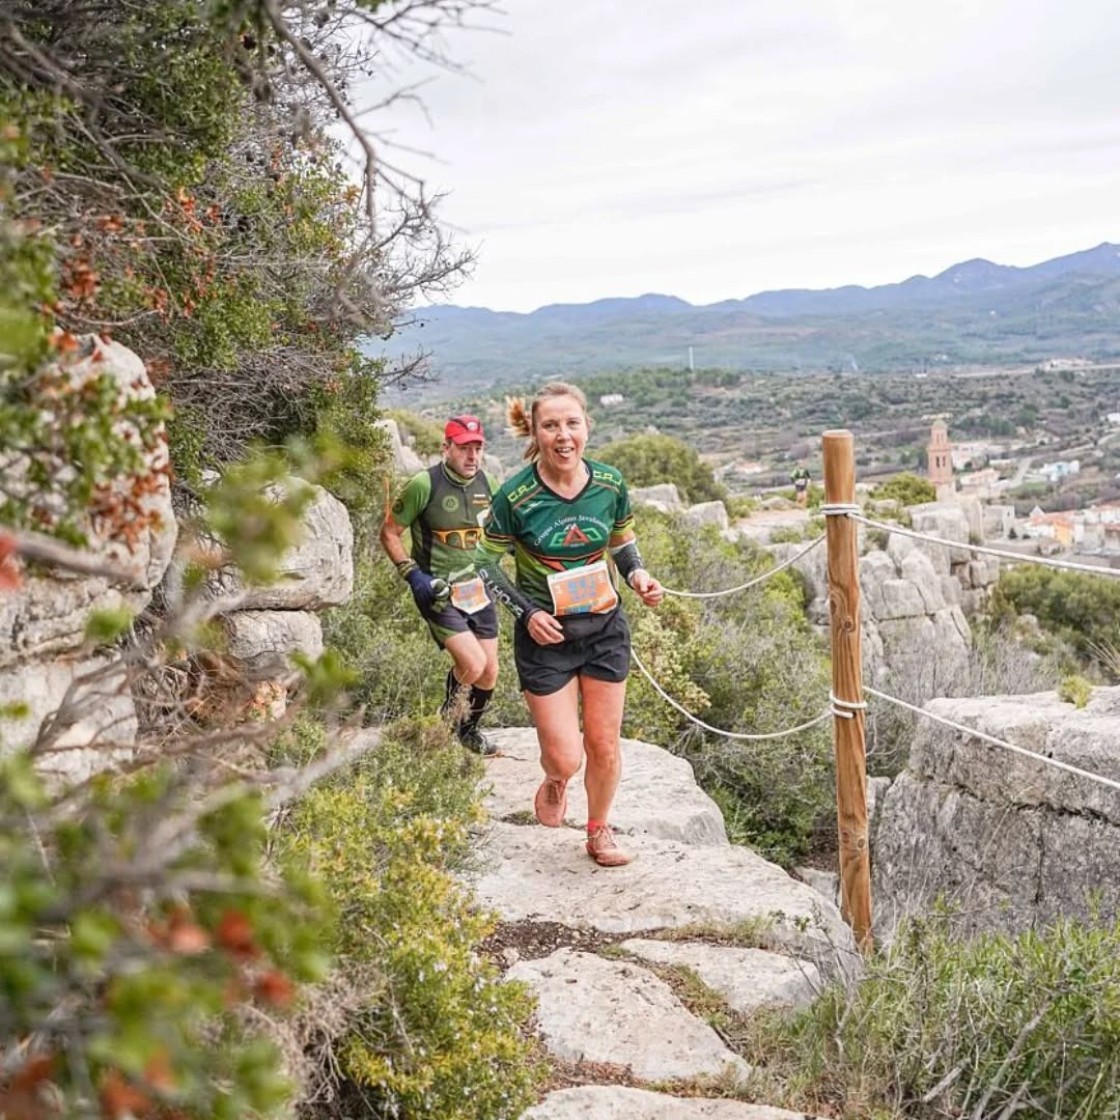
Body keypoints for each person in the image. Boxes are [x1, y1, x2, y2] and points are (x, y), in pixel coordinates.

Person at [468, 382, 663, 867]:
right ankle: (556, 780)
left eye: (572, 423)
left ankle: (599, 832)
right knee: (566, 757)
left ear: (586, 428)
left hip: (603, 629)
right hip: (546, 639)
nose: (563, 435)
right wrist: (527, 613)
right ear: (535, 432)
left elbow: (621, 541)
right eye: (551, 425)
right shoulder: (517, 495)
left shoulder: (610, 485)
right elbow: (484, 564)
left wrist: (637, 574)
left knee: (603, 743)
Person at [380, 414, 501, 754]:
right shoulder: (424, 485)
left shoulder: (488, 484)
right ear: (446, 448)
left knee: (489, 673)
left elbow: (500, 533)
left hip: (478, 590)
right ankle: (447, 721)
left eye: (477, 448)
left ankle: (468, 730)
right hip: (437, 591)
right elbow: (389, 533)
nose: (472, 456)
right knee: (472, 665)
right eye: (464, 448)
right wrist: (412, 574)